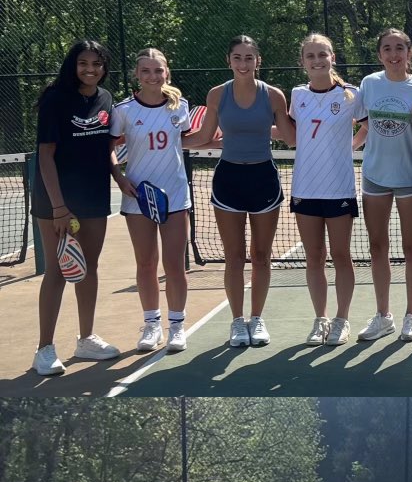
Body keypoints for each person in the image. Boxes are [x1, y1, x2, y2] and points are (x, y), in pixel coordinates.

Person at [183, 35, 291, 348]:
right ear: (229, 61)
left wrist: (328, 127)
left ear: (258, 62)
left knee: (260, 255)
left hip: (264, 180)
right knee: (234, 257)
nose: (243, 64)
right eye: (237, 57)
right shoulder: (217, 94)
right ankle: (236, 322)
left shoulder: (274, 96)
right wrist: (164, 142)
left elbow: (289, 136)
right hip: (228, 179)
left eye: (249, 58)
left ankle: (256, 320)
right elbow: (204, 135)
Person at [31, 40, 125, 376]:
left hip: (93, 196)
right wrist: (59, 207)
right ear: (73, 65)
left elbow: (107, 148)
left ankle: (86, 340)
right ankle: (44, 349)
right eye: (84, 63)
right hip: (55, 199)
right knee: (57, 271)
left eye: (97, 64)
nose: (90, 69)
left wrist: (119, 175)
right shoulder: (55, 99)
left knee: (89, 267)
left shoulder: (105, 98)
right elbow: (45, 155)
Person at [278, 33, 360, 345]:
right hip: (305, 188)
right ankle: (321, 319)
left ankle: (342, 320)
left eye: (322, 54)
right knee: (314, 256)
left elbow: (366, 124)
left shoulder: (351, 95)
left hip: (339, 188)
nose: (317, 60)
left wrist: (353, 145)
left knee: (341, 255)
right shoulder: (297, 94)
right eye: (310, 56)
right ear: (303, 63)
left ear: (333, 57)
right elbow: (291, 134)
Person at [111, 47, 192, 353]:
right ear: (137, 74)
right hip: (138, 198)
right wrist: (120, 178)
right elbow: (110, 147)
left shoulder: (179, 106)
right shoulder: (124, 110)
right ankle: (151, 325)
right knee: (146, 263)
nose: (152, 76)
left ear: (166, 73)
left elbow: (187, 139)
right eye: (146, 70)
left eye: (158, 70)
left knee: (174, 265)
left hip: (174, 196)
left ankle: (177, 326)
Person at [352, 29, 412, 344]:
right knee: (377, 247)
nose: (393, 54)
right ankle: (384, 316)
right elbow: (363, 120)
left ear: (409, 52)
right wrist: (351, 147)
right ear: (380, 54)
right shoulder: (368, 84)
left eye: (399, 48)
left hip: (410, 176)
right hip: (374, 176)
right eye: (387, 49)